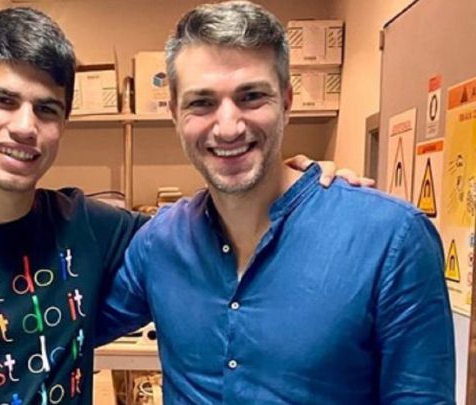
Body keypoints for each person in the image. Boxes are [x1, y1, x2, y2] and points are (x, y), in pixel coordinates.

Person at [0, 5, 368, 405]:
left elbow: (217, 221)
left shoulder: (95, 228)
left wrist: (296, 177)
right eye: (3, 101)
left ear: (64, 123)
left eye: (47, 109)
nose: (24, 128)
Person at [96, 1, 456, 404]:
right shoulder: (160, 242)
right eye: (202, 102)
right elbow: (61, 329)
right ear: (174, 114)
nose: (229, 126)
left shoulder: (391, 238)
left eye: (251, 97)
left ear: (287, 100)